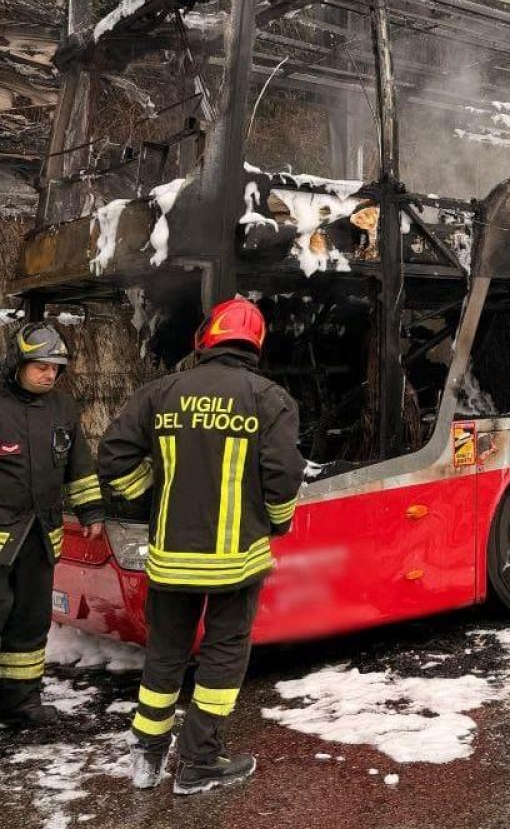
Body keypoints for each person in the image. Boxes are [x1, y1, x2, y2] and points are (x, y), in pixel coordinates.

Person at [98, 298, 305, 795]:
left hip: (170, 559)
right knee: (222, 656)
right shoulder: (269, 399)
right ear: (255, 345)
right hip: (235, 563)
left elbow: (114, 458)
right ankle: (198, 762)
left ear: (205, 338)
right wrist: (277, 523)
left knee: (166, 655)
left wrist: (152, 495)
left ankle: (146, 756)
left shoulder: (160, 392)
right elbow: (284, 478)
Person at [0, 322, 105, 728]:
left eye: (55, 368)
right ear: (18, 363)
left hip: (39, 536)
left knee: (30, 621)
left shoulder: (64, 407)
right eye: (41, 366)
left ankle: (21, 703)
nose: (49, 374)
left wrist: (91, 510)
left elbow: (79, 464)